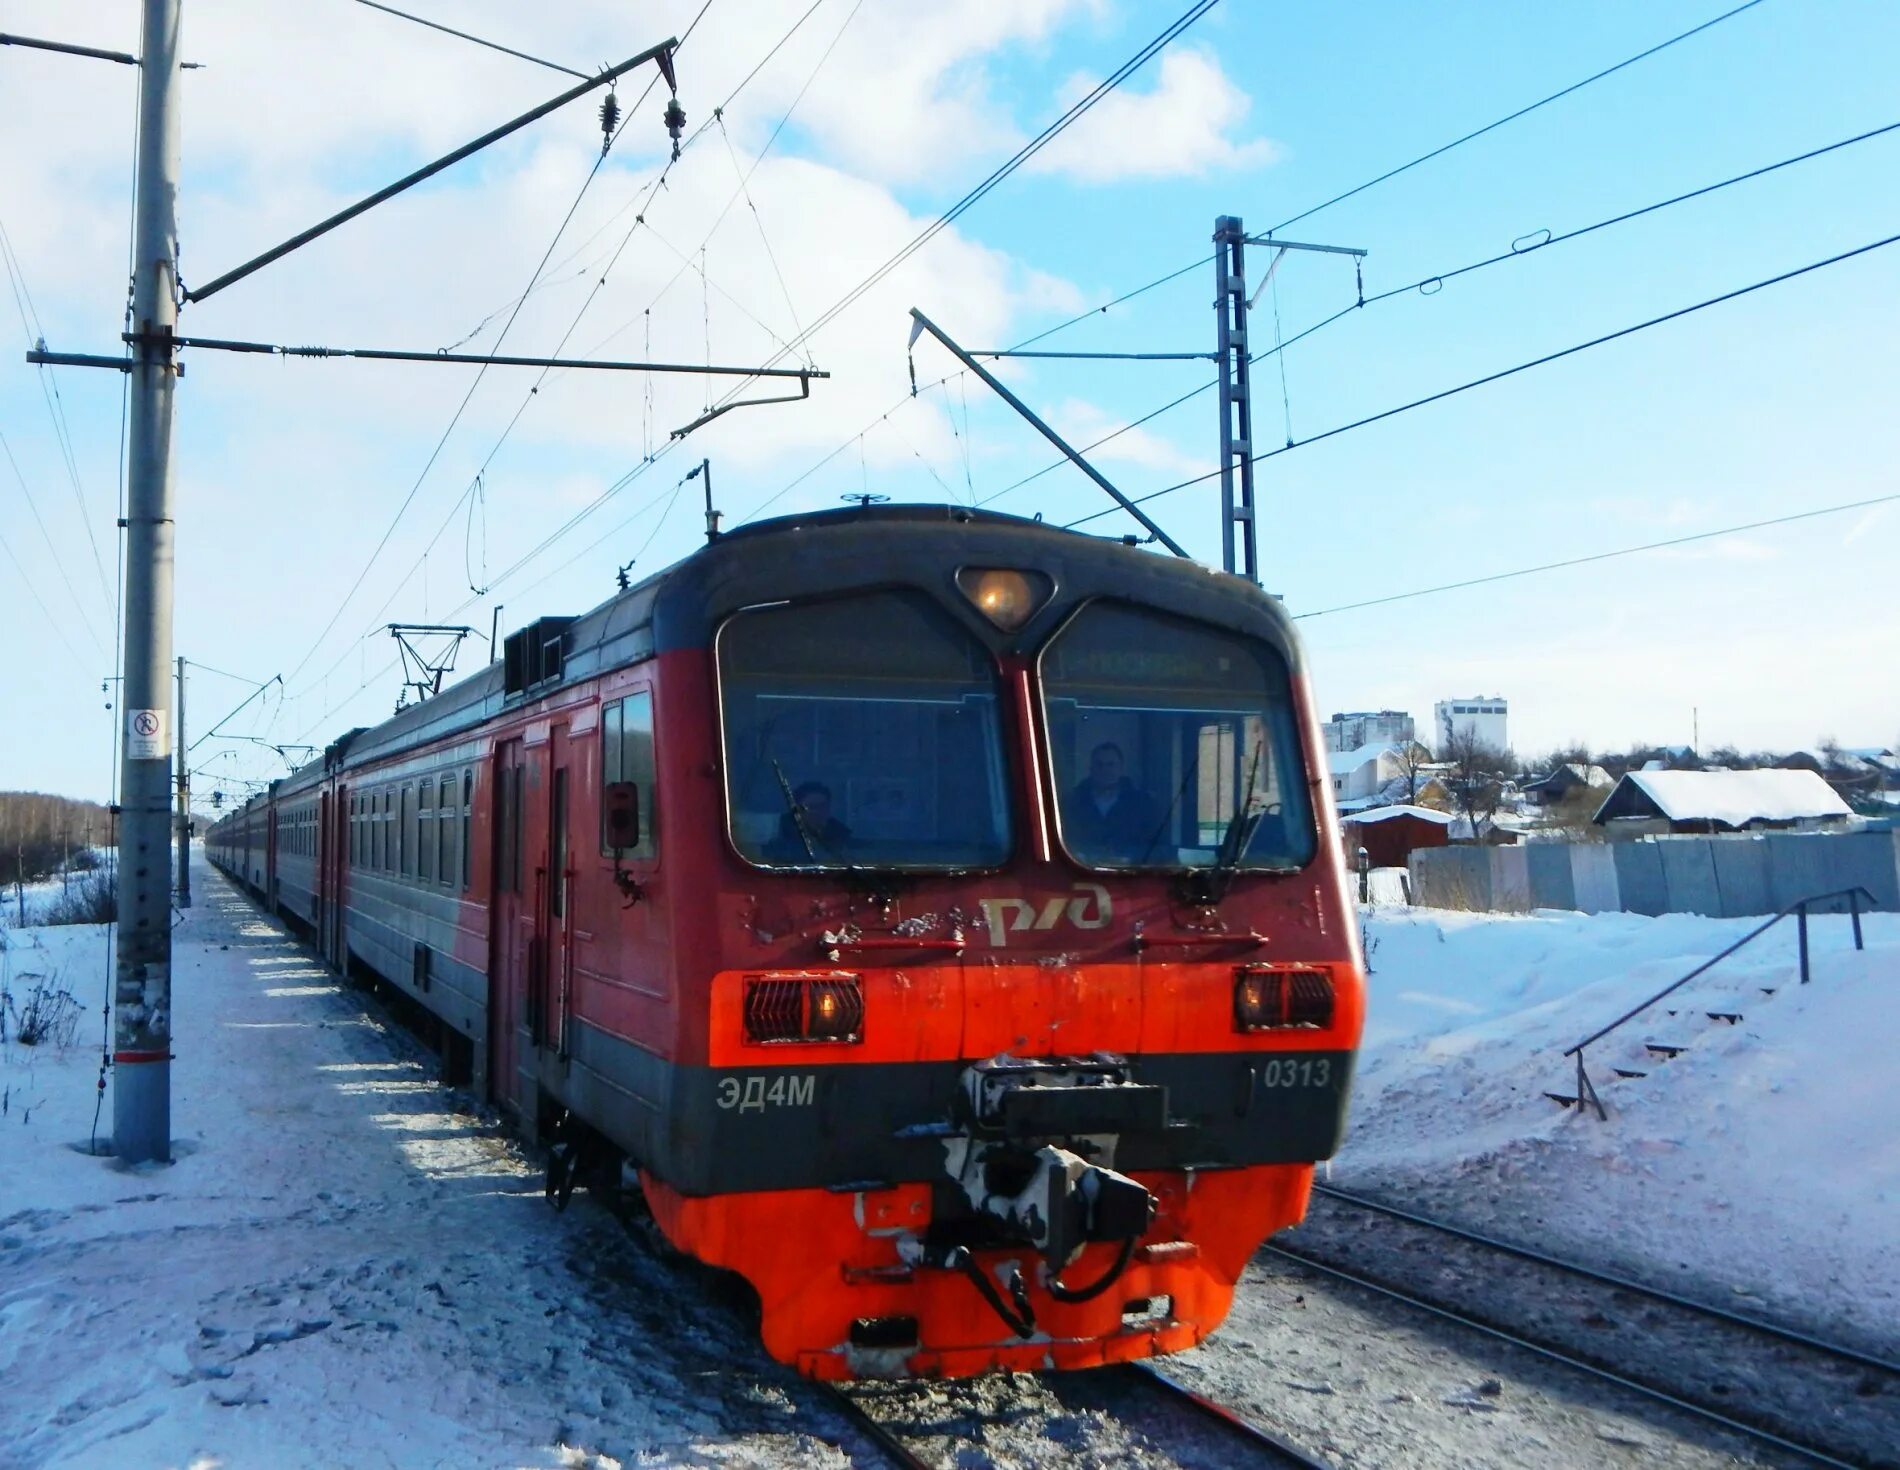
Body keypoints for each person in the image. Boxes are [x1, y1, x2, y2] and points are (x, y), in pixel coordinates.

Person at [1065, 742, 1161, 862]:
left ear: (1121, 768)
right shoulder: (1072, 803)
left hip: (1130, 873)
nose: (1105, 770)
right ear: (1091, 769)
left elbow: (1155, 846)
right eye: (1099, 765)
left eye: (1111, 765)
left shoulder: (1143, 804)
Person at [765, 780, 852, 862]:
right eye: (811, 807)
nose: (817, 812)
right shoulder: (779, 846)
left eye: (822, 806)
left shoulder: (845, 840)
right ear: (798, 810)